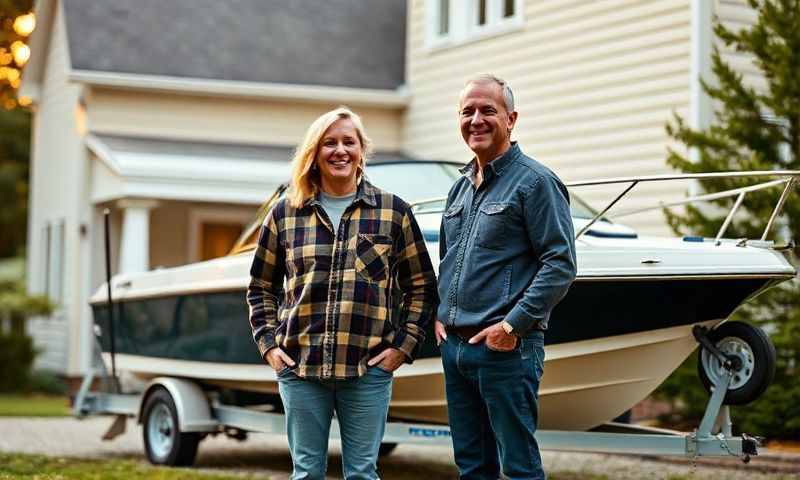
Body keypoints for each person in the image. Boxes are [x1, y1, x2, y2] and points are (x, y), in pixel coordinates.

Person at [246, 107, 438, 480]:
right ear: (314, 154)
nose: (340, 150)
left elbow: (421, 287)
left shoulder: (393, 212)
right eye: (329, 142)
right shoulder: (285, 214)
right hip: (300, 368)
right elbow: (260, 287)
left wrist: (403, 347)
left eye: (349, 141)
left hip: (368, 370)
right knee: (306, 473)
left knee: (363, 474)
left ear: (362, 150)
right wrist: (269, 347)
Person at [435, 75, 577, 480]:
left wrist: (511, 326)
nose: (476, 119)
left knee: (519, 469)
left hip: (506, 352)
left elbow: (561, 264)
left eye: (487, 110)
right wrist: (440, 312)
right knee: (472, 467)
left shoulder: (536, 183)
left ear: (511, 119)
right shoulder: (459, 189)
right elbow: (449, 258)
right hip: (457, 351)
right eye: (467, 112)